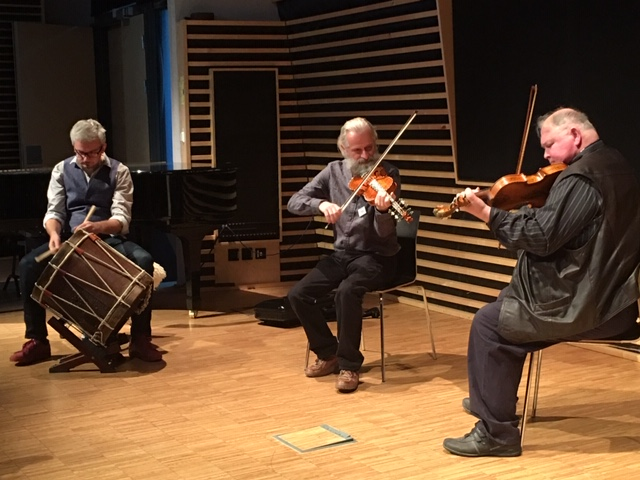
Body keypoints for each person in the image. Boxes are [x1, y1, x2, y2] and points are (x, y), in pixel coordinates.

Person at [442, 107, 640, 457]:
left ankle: (496, 435)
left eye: (549, 145)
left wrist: (486, 213)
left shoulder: (581, 178)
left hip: (589, 307)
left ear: (575, 135)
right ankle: (492, 397)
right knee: (507, 300)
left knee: (488, 324)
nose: (546, 155)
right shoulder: (617, 163)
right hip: (617, 300)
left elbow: (541, 237)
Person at [9, 119, 163, 365]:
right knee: (28, 265)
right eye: (80, 152)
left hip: (108, 240)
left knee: (143, 260)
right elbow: (54, 212)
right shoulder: (61, 170)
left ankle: (140, 338)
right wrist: (54, 235)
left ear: (103, 147)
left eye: (91, 153)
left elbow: (121, 219)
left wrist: (97, 227)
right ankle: (38, 341)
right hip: (72, 240)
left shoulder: (119, 171)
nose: (84, 158)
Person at [287, 117, 400, 393]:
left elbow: (385, 234)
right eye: (357, 150)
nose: (365, 156)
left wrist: (382, 211)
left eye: (369, 148)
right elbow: (294, 202)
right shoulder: (332, 171)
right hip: (341, 255)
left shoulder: (388, 174)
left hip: (375, 257)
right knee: (298, 294)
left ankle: (350, 366)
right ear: (343, 149)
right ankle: (329, 353)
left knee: (347, 292)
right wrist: (320, 204)